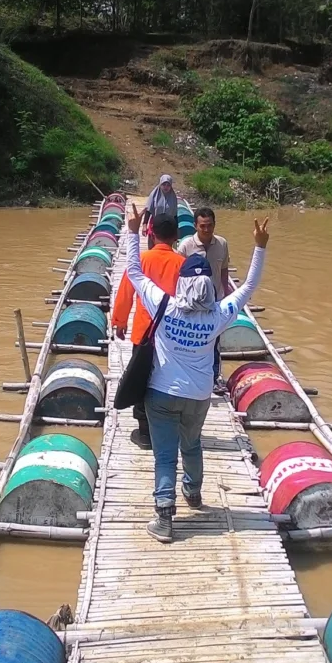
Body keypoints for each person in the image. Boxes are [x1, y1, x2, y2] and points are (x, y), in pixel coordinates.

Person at [122, 205, 270, 543]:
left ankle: (164, 519)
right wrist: (260, 246)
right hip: (199, 397)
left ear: (183, 281)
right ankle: (194, 493)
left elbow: (134, 271)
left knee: (163, 455)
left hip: (160, 395)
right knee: (191, 445)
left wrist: (133, 231)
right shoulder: (219, 315)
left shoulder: (163, 305)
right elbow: (248, 287)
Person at [111, 212, 185, 449]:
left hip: (144, 334)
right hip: (173, 336)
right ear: (176, 236)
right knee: (168, 381)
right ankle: (170, 430)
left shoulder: (141, 260)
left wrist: (119, 321)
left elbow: (126, 291)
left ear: (151, 233)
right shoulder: (183, 264)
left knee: (142, 380)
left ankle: (145, 434)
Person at [175, 207, 233, 394]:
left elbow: (224, 270)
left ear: (214, 225)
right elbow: (178, 275)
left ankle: (215, 379)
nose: (206, 230)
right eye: (202, 226)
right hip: (190, 305)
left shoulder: (222, 244)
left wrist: (226, 293)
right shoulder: (185, 246)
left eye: (209, 226)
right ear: (195, 226)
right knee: (188, 340)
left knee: (214, 342)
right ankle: (185, 376)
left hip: (214, 302)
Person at [141, 174, 178, 249]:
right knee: (152, 245)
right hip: (155, 223)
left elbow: (175, 215)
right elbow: (148, 210)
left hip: (168, 225)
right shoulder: (154, 195)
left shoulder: (173, 197)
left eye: (168, 185)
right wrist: (144, 224)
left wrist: (176, 230)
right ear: (160, 184)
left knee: (166, 247)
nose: (166, 187)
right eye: (164, 184)